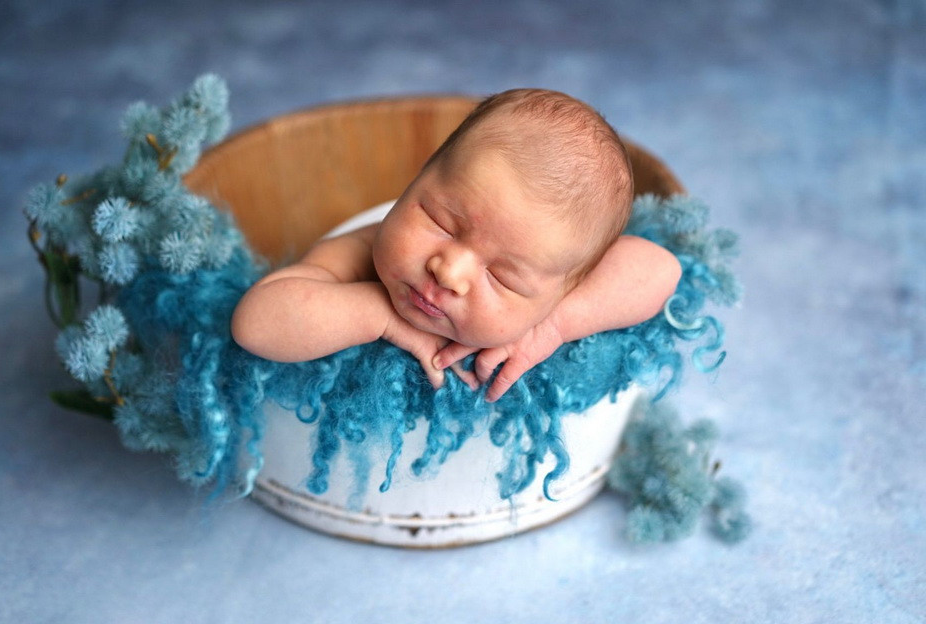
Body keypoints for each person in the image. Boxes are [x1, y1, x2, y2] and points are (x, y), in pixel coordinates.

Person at [231, 89, 682, 402]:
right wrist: (376, 312)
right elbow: (255, 324)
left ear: (560, 289)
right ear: (417, 176)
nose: (448, 271)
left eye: (502, 276)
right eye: (440, 222)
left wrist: (553, 325)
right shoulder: (363, 254)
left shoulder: (553, 299)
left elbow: (662, 270)